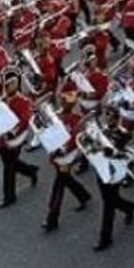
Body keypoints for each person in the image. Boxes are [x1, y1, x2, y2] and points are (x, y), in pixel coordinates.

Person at [84, 106, 134, 251]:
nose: (107, 117)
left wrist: (106, 150)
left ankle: (105, 238)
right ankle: (129, 207)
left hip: (115, 171)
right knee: (110, 200)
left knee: (108, 204)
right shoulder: (103, 131)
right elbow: (92, 146)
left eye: (110, 115)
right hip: (102, 169)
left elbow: (124, 154)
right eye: (106, 114)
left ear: (117, 118)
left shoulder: (123, 134)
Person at [42, 87, 91, 231]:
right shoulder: (57, 117)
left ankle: (52, 217)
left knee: (58, 187)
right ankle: (83, 195)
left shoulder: (75, 120)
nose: (62, 103)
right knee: (66, 180)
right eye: (62, 100)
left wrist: (69, 160)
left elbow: (75, 142)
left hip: (67, 157)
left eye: (65, 101)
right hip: (58, 155)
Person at [0, 72, 39, 208]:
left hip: (16, 138)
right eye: (6, 84)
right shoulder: (3, 101)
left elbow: (25, 120)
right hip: (3, 137)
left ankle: (9, 196)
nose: (8, 87)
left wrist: (13, 131)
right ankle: (30, 170)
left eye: (11, 84)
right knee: (10, 162)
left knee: (8, 167)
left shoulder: (23, 101)